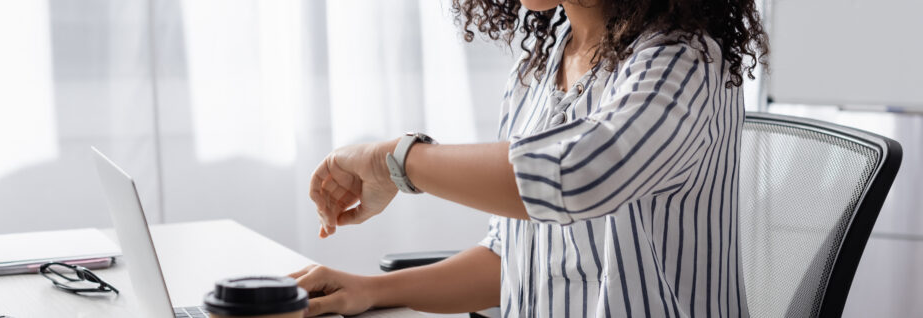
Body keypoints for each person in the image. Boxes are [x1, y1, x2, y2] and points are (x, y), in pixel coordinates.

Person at [290, 0, 768, 316]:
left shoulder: (685, 60)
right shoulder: (540, 64)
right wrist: (368, 290)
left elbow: (576, 176)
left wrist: (396, 161)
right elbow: (511, 258)